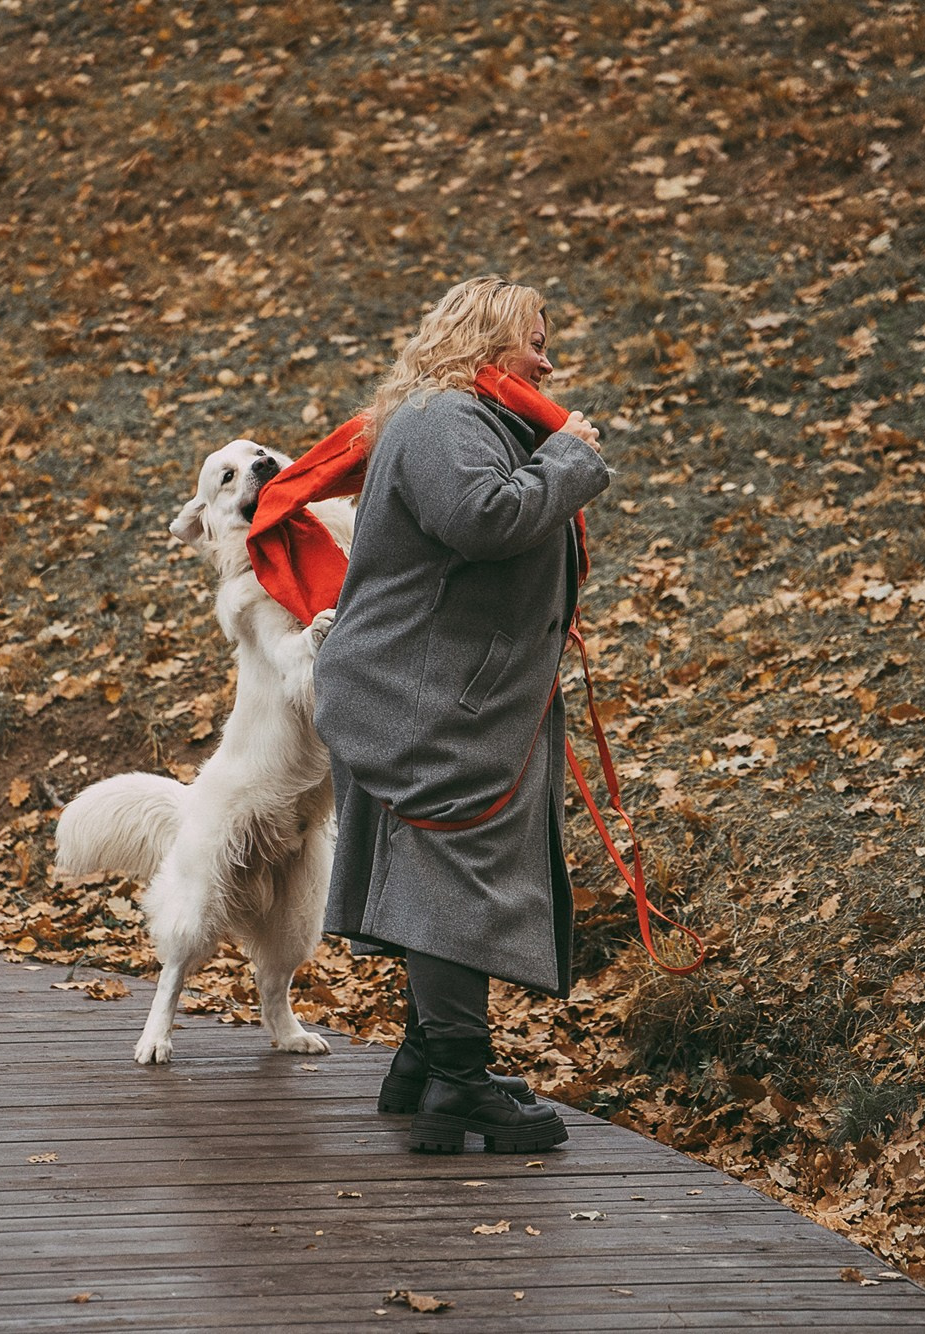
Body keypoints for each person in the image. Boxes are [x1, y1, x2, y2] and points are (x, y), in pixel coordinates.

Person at [312, 276, 609, 1155]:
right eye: (535, 342)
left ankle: (425, 1062)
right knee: (453, 876)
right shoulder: (446, 418)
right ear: (484, 338)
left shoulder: (456, 418)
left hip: (422, 691)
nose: (548, 363)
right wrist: (569, 458)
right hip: (423, 699)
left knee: (431, 873)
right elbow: (482, 518)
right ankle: (459, 1082)